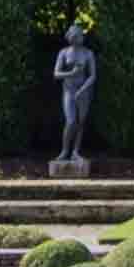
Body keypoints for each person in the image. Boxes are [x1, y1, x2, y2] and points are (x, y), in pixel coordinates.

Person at [49, 21, 100, 173]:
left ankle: (75, 152)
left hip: (84, 91)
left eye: (80, 35)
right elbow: (56, 74)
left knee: (80, 122)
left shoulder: (88, 53)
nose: (78, 38)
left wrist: (83, 90)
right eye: (76, 35)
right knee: (71, 121)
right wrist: (71, 73)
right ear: (70, 37)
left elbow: (92, 76)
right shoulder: (64, 53)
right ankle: (65, 151)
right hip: (69, 90)